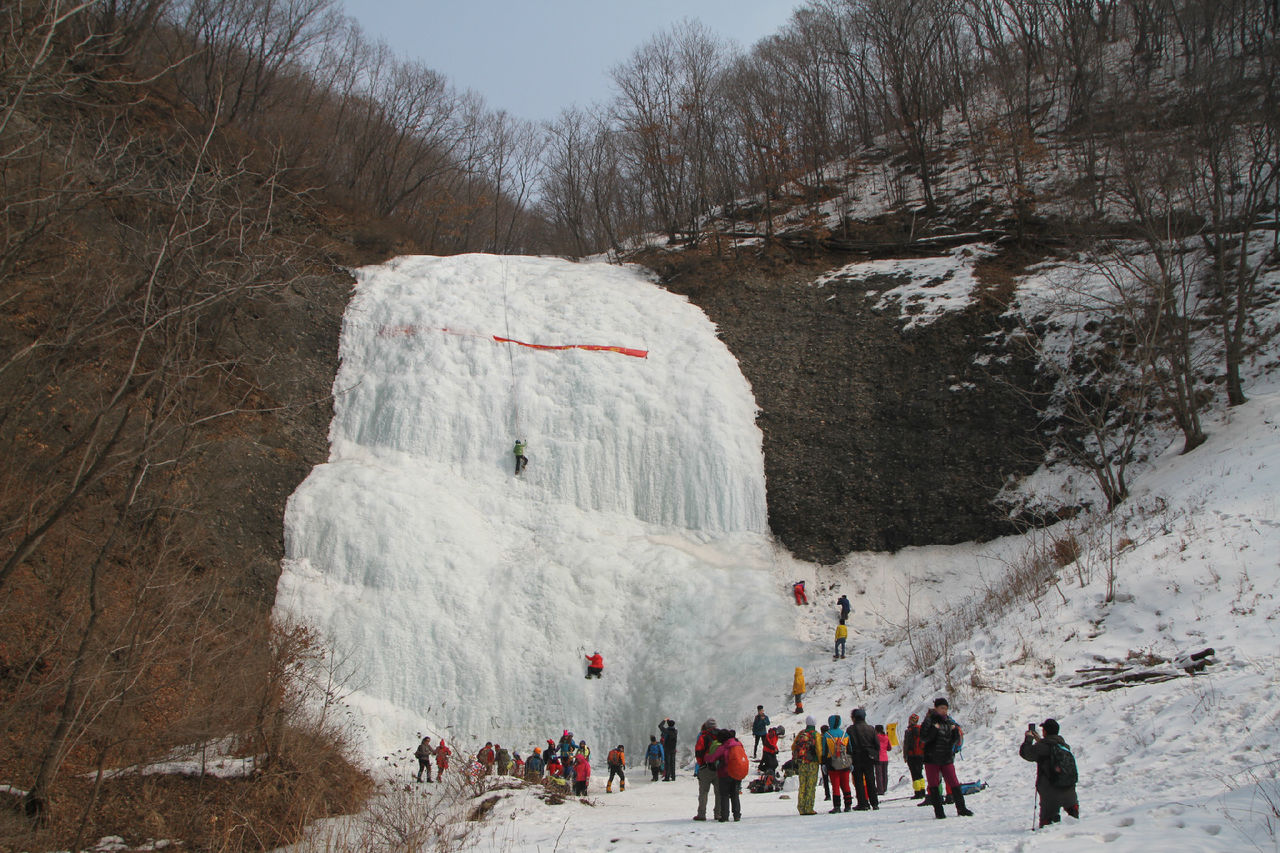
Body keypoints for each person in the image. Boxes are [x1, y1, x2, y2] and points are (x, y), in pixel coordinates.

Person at [1021, 718, 1080, 828]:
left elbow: (1026, 753)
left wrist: (1028, 739)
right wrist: (1040, 740)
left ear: (1045, 732)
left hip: (1050, 793)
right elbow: (1049, 748)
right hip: (1069, 791)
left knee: (1048, 824)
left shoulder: (1042, 747)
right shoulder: (1064, 746)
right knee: (1073, 820)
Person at [921, 697, 973, 818]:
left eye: (946, 708)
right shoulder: (929, 721)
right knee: (934, 784)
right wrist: (934, 729)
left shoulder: (949, 721)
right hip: (932, 758)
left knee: (954, 782)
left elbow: (953, 741)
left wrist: (955, 732)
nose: (944, 711)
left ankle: (961, 808)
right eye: (941, 708)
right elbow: (924, 738)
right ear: (936, 708)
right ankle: (939, 811)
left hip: (946, 757)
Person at [703, 728, 745, 822]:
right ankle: (737, 815)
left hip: (725, 773)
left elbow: (712, 758)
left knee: (724, 795)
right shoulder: (738, 744)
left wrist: (705, 756)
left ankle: (725, 816)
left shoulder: (724, 747)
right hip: (737, 772)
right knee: (735, 794)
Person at [817, 714, 853, 812]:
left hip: (832, 764)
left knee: (835, 785)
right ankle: (848, 805)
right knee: (846, 785)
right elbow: (850, 749)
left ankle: (837, 806)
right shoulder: (845, 734)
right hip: (845, 763)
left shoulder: (827, 735)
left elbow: (824, 751)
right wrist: (851, 763)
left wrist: (824, 764)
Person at [847, 708, 880, 810]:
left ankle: (863, 803)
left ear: (854, 718)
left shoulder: (850, 729)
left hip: (856, 757)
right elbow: (877, 745)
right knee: (870, 779)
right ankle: (874, 803)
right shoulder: (871, 728)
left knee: (858, 781)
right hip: (869, 757)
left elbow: (848, 745)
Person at [791, 717, 820, 816]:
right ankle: (809, 807)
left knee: (802, 785)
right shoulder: (815, 734)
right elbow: (819, 750)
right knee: (811, 785)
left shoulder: (801, 733)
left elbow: (793, 746)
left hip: (801, 763)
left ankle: (801, 807)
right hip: (812, 763)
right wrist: (820, 761)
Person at [692, 719, 721, 821]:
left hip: (706, 769)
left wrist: (702, 764)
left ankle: (701, 814)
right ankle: (718, 813)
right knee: (719, 792)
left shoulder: (703, 737)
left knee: (703, 792)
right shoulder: (720, 736)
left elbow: (698, 752)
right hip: (719, 768)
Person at [904, 713, 926, 799]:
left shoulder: (909, 731)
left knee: (914, 774)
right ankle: (923, 790)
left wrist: (905, 755)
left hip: (911, 755)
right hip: (920, 754)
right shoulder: (921, 729)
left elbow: (906, 744)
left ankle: (917, 792)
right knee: (920, 773)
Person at [875, 724, 891, 796]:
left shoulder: (876, 737)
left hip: (878, 757)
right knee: (885, 774)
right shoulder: (886, 737)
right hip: (885, 757)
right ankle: (884, 788)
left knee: (879, 774)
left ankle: (880, 790)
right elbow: (889, 748)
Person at [819, 724, 831, 802]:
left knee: (825, 778)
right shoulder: (830, 737)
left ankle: (827, 795)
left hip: (823, 760)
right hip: (831, 759)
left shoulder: (820, 738)